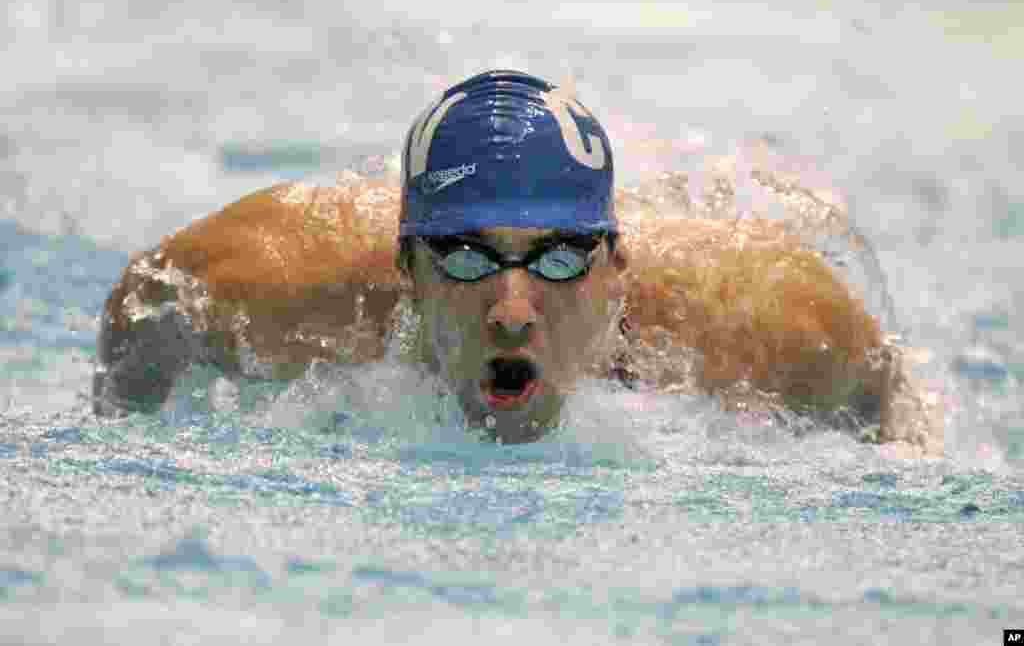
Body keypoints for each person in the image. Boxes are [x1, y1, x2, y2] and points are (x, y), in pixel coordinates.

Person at [92, 70, 940, 451]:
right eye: (465, 258)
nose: (510, 306)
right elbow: (146, 302)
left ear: (616, 268)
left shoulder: (762, 320)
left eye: (560, 259)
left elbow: (891, 397)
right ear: (406, 273)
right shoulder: (296, 292)